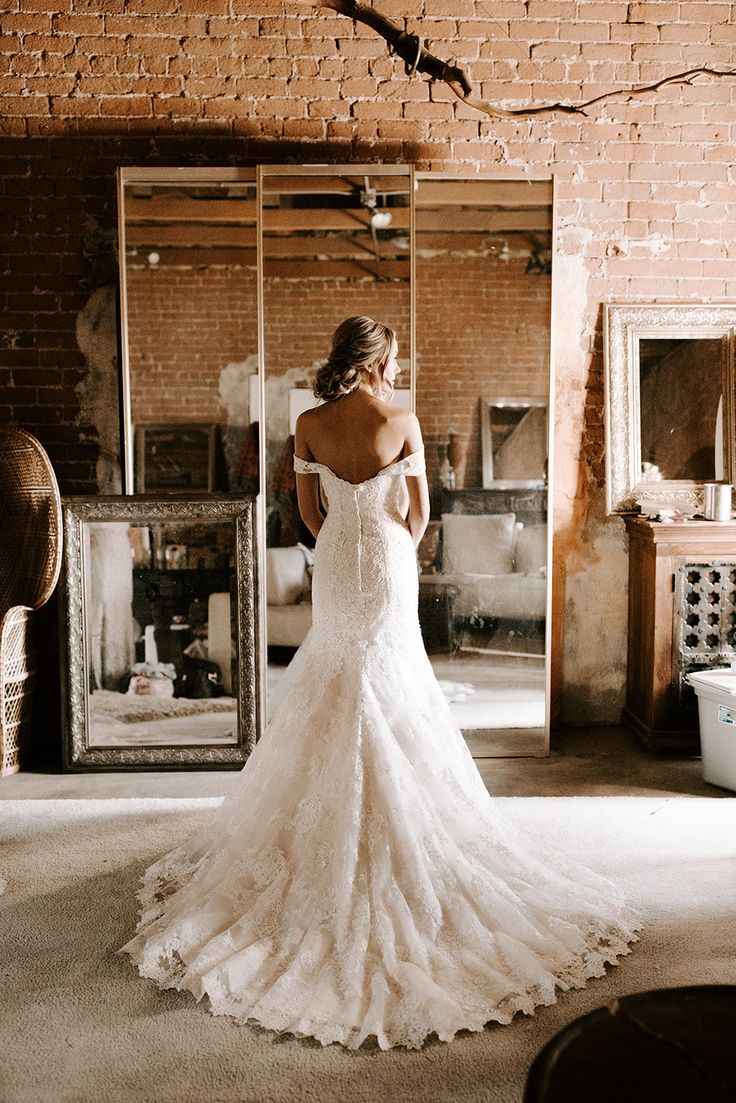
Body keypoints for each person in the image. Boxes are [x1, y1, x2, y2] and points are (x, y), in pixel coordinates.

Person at [120, 316, 640, 1050]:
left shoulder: (308, 421)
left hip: (335, 556)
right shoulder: (402, 419)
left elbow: (306, 516)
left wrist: (342, 534)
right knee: (393, 672)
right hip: (390, 558)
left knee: (338, 667)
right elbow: (421, 511)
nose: (397, 367)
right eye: (393, 357)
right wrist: (391, 539)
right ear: (380, 358)